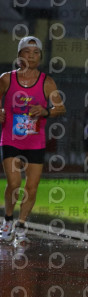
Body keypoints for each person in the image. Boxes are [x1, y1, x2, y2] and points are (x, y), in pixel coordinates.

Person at [0, 36, 66, 243]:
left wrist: (46, 111)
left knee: (31, 188)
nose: (31, 56)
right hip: (11, 139)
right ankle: (7, 220)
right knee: (14, 183)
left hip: (35, 142)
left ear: (40, 57)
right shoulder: (7, 79)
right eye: (27, 52)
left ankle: (21, 225)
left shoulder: (47, 82)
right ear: (19, 55)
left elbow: (60, 108)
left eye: (36, 53)